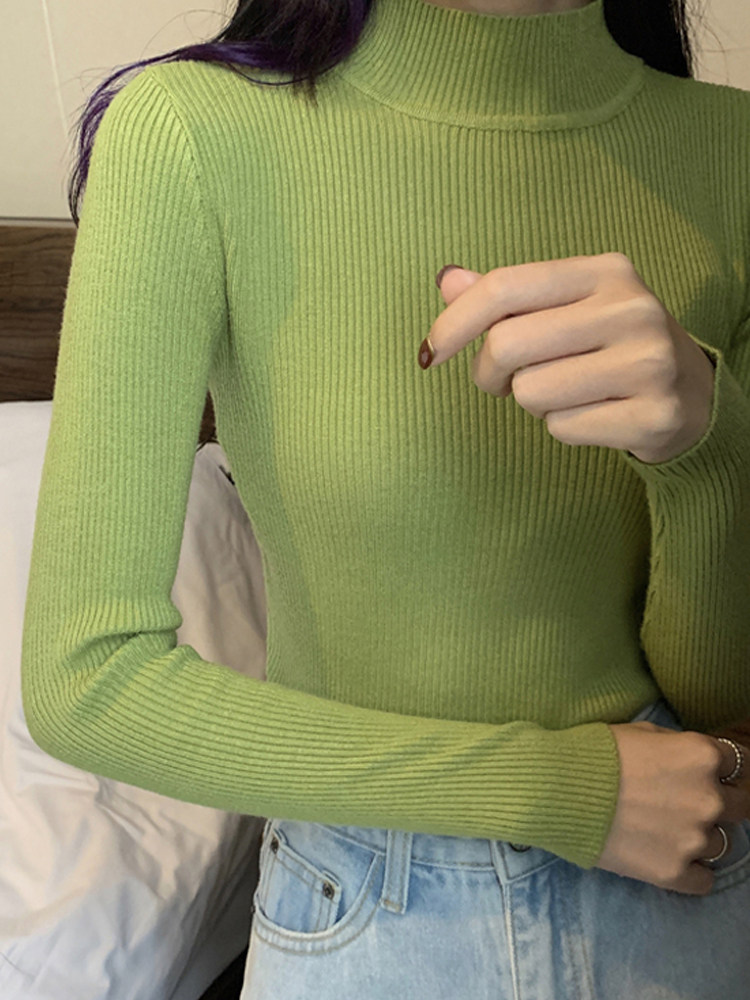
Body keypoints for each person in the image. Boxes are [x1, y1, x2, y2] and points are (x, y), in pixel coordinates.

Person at [20, 0, 750, 996]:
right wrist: (558, 790)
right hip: (372, 917)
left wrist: (705, 440)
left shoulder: (730, 150)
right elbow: (90, 680)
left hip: (692, 879)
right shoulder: (193, 130)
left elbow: (722, 696)